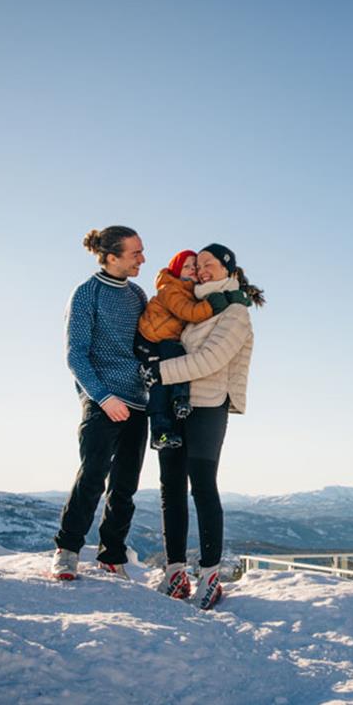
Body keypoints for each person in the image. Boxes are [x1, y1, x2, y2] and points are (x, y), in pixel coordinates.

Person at [145, 243, 264, 610]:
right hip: (175, 405)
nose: (202, 271)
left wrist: (159, 372)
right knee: (171, 488)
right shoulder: (194, 308)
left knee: (202, 487)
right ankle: (176, 571)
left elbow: (210, 360)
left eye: (210, 265)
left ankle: (211, 575)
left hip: (208, 406)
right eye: (200, 266)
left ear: (229, 270)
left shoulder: (235, 312)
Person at [50, 226, 149, 581]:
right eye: (135, 253)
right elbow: (75, 355)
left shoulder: (137, 295)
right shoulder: (86, 293)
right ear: (111, 257)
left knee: (125, 485)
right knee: (92, 475)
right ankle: (67, 550)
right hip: (101, 399)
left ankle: (111, 555)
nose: (142, 259)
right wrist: (104, 398)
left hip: (138, 402)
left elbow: (146, 344)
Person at [133, 250, 247, 451]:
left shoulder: (197, 295)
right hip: (152, 341)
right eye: (189, 267)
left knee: (166, 373)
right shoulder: (172, 290)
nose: (196, 270)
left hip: (207, 397)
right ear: (177, 271)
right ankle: (162, 428)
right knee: (159, 383)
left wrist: (232, 297)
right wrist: (218, 302)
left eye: (198, 266)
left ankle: (178, 403)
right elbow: (191, 313)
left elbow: (210, 354)